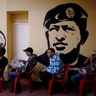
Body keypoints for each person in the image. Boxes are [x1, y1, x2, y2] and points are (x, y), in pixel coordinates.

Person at [38, 3, 89, 69]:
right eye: (54, 29)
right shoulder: (40, 61)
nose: (59, 37)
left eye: (68, 29)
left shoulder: (87, 63)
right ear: (47, 36)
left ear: (83, 37)